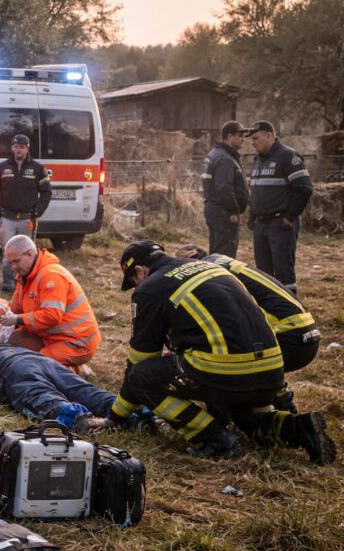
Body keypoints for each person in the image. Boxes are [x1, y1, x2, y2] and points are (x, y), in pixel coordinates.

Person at [107, 240, 335, 464]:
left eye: (134, 282)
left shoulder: (150, 288)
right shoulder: (212, 267)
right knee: (245, 415)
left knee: (140, 377)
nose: (136, 288)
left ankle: (215, 439)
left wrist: (115, 417)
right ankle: (299, 428)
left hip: (226, 371)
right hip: (273, 369)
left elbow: (140, 360)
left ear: (139, 270)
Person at [176, 244, 320, 411]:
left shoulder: (209, 273)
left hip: (287, 336)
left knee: (230, 364)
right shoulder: (224, 262)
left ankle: (235, 419)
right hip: (307, 332)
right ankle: (288, 413)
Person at [0, 329, 140, 433]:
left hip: (23, 364)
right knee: (65, 390)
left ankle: (128, 412)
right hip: (28, 364)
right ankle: (130, 414)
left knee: (68, 391)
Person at [0, 235, 100, 374]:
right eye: (10, 263)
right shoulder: (25, 277)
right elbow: (15, 307)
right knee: (14, 340)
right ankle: (57, 363)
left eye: (16, 261)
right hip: (50, 337)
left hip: (76, 342)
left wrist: (18, 319)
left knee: (34, 367)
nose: (13, 267)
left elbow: (51, 316)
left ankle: (78, 371)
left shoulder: (51, 275)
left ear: (29, 254)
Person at [245, 120, 313, 294]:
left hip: (280, 224)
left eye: (255, 138)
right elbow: (256, 191)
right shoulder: (258, 160)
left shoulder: (288, 156)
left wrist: (290, 217)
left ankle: (291, 311)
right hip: (261, 225)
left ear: (270, 135)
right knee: (263, 274)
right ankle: (270, 310)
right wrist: (253, 216)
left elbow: (304, 188)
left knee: (283, 272)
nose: (252, 143)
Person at [0, 133, 52, 293]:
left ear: (27, 148)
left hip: (27, 220)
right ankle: (8, 284)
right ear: (12, 148)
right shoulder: (1, 167)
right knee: (7, 251)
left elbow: (46, 192)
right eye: (15, 146)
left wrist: (37, 212)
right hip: (7, 219)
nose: (18, 150)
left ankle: (26, 283)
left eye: (21, 147)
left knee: (28, 253)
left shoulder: (38, 168)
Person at [201, 120, 250, 257]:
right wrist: (233, 211)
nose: (243, 139)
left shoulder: (214, 154)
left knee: (216, 252)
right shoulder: (225, 159)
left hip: (214, 210)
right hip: (224, 214)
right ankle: (222, 278)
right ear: (229, 137)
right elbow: (224, 188)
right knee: (224, 256)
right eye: (240, 135)